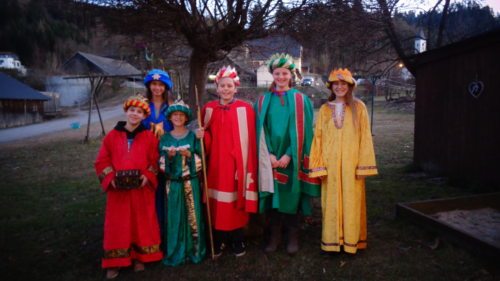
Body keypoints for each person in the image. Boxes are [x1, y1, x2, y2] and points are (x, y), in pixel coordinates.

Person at [255, 53, 320, 254]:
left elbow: (306, 132)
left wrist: (289, 155)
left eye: (284, 73)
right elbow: (260, 129)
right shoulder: (262, 101)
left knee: (292, 196)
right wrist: (271, 156)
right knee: (273, 196)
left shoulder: (301, 100)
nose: (281, 77)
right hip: (271, 159)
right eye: (277, 73)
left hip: (292, 159)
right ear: (272, 75)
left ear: (291, 75)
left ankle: (293, 235)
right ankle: (274, 235)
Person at [309, 68, 378, 254]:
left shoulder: (359, 107)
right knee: (330, 202)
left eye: (343, 84)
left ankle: (351, 241)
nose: (340, 87)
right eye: (336, 84)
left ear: (350, 86)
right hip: (330, 166)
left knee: (351, 201)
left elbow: (365, 138)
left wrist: (362, 165)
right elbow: (318, 138)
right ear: (331, 87)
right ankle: (332, 241)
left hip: (352, 165)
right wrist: (319, 165)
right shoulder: (324, 109)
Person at [94, 94, 162, 279]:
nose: (135, 114)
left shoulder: (149, 137)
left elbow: (155, 160)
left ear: (144, 116)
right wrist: (110, 177)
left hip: (141, 190)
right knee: (118, 225)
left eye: (139, 112)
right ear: (126, 111)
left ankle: (140, 257)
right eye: (132, 110)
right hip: (119, 192)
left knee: (141, 223)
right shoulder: (111, 136)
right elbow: (102, 160)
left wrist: (148, 175)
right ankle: (115, 262)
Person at [198, 66, 258, 258]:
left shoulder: (245, 109)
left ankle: (237, 239)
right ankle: (218, 239)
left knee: (234, 203)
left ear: (235, 88)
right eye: (222, 86)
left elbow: (250, 140)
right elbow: (206, 137)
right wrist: (200, 135)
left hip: (236, 165)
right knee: (217, 203)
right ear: (217, 88)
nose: (225, 89)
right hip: (215, 165)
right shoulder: (208, 109)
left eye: (229, 86)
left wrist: (243, 166)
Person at [159, 101, 206, 265]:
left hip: (190, 182)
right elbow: (161, 164)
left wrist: (190, 155)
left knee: (193, 216)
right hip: (173, 184)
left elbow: (202, 162)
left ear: (186, 118)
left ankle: (194, 249)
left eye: (181, 115)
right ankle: (175, 250)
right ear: (170, 118)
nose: (178, 117)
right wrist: (169, 157)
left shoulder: (193, 136)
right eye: (175, 115)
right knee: (174, 217)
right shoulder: (164, 138)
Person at [142, 69, 174, 242]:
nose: (157, 88)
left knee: (168, 194)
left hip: (168, 156)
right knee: (150, 196)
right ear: (149, 85)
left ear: (165, 87)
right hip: (146, 158)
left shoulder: (171, 107)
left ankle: (167, 233)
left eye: (160, 85)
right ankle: (151, 234)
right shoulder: (141, 106)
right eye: (154, 84)